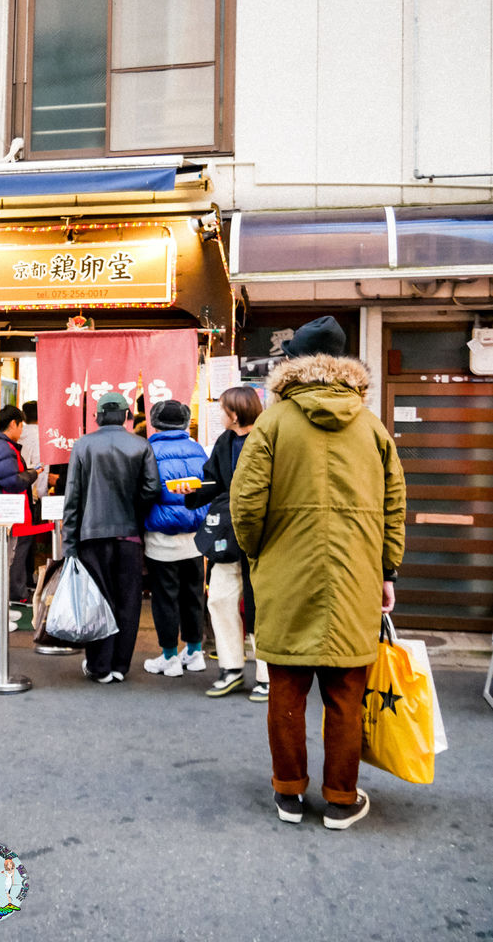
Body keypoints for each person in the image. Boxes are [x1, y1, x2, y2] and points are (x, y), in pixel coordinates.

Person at [231, 315, 406, 830]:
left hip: (286, 577)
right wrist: (386, 570)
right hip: (356, 579)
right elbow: (394, 505)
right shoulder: (372, 427)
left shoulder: (272, 423)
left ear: (293, 365)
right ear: (345, 365)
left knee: (285, 685)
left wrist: (261, 553)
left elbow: (245, 504)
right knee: (346, 692)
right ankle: (340, 798)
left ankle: (288, 793)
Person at [61, 391, 160, 683]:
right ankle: (120, 666)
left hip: (92, 536)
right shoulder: (140, 445)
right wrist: (133, 507)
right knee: (128, 601)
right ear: (127, 416)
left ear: (99, 416)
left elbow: (73, 498)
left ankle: (99, 666)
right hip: (129, 534)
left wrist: (69, 543)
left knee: (98, 600)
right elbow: (152, 488)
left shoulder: (83, 445)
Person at [181, 386, 270, 700]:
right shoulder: (225, 442)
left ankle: (267, 675)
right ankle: (231, 668)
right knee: (219, 598)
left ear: (235, 412)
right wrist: (192, 493)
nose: (219, 414)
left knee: (262, 608)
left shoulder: (267, 438)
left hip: (262, 538)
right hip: (226, 534)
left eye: (222, 408)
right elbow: (213, 481)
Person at [142, 400, 210, 678]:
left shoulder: (150, 450)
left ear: (155, 423)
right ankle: (194, 652)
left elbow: (145, 491)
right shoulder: (197, 449)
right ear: (184, 423)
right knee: (194, 595)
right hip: (195, 538)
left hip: (161, 539)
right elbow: (208, 487)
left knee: (165, 598)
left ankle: (169, 656)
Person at [0, 405, 43, 632]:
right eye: (21, 425)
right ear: (13, 424)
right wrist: (34, 473)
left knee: (2, 564)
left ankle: (0, 608)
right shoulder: (4, 449)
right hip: (2, 518)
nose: (22, 430)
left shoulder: (0, 447)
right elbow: (12, 482)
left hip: (2, 517)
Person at [9, 400, 48, 602]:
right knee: (24, 543)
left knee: (17, 543)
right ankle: (20, 588)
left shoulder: (15, 436)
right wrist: (43, 496)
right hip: (29, 493)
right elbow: (41, 469)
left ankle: (22, 584)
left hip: (13, 493)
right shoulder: (41, 436)